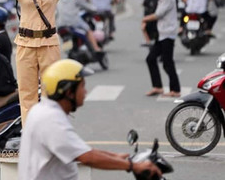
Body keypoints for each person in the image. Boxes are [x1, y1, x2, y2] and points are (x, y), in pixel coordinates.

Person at [0, 0, 140, 125]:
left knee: (53, 90)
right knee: (27, 94)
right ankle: (30, 134)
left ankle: (52, 129)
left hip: (49, 44)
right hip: (25, 44)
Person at [19, 59, 161, 180]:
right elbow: (86, 157)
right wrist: (133, 166)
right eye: (82, 86)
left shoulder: (44, 111)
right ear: (69, 92)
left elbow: (78, 150)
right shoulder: (50, 120)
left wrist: (115, 156)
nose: (86, 92)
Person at [142, 0, 181, 97]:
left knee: (167, 62)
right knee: (151, 59)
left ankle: (175, 90)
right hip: (162, 33)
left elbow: (158, 14)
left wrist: (144, 19)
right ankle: (158, 87)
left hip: (168, 33)